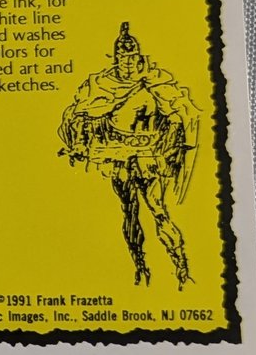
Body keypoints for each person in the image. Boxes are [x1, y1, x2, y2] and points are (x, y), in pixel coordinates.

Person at [58, 21, 199, 288]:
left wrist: (170, 142)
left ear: (138, 57)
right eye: (123, 58)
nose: (128, 62)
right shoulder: (100, 85)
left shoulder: (156, 82)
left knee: (157, 207)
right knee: (129, 211)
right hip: (119, 156)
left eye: (132, 57)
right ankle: (140, 265)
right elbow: (78, 115)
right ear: (116, 58)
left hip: (149, 155)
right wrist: (81, 141)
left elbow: (180, 115)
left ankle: (180, 264)